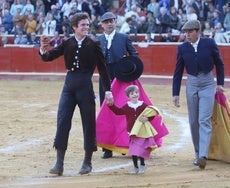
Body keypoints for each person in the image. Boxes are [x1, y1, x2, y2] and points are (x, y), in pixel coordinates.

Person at [38, 12, 112, 176]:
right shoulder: (68, 43)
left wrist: (108, 90)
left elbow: (103, 68)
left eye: (87, 25)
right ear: (74, 27)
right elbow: (50, 57)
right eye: (83, 25)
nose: (86, 27)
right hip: (69, 87)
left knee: (88, 123)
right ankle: (59, 163)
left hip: (85, 86)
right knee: (63, 121)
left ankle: (87, 162)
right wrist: (43, 50)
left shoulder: (94, 43)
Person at [172, 20, 225, 170]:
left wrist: (220, 83)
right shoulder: (182, 48)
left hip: (208, 83)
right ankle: (197, 154)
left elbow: (219, 63)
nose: (187, 35)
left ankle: (203, 155)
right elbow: (178, 71)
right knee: (193, 121)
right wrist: (175, 93)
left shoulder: (209, 43)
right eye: (185, 32)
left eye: (190, 32)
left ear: (198, 31)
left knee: (204, 119)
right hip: (192, 84)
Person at [97, 11, 138, 159]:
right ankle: (107, 148)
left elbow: (134, 54)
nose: (109, 23)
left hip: (121, 78)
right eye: (106, 21)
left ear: (115, 22)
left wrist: (129, 68)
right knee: (105, 110)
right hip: (104, 78)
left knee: (122, 110)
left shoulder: (123, 38)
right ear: (102, 25)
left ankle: (122, 143)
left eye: (111, 21)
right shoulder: (98, 40)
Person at [105, 85, 159, 174]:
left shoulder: (143, 105)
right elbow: (118, 112)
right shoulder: (127, 106)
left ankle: (142, 164)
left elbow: (151, 114)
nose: (135, 95)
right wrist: (111, 105)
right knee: (134, 150)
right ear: (128, 96)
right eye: (132, 93)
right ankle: (135, 167)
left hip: (142, 131)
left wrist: (147, 119)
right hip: (132, 131)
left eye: (136, 92)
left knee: (140, 149)